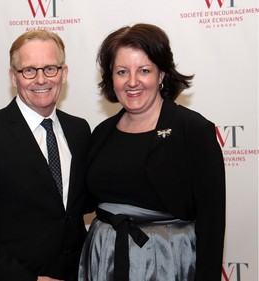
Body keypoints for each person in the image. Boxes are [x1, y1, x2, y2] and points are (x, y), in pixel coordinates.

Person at [78, 23, 225, 281]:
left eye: (144, 70)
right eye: (122, 71)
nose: (132, 82)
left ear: (161, 75)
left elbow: (212, 224)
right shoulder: (102, 133)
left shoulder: (193, 130)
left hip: (167, 264)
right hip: (104, 262)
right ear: (111, 78)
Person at [0, 30, 91, 281]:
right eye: (28, 70)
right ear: (13, 77)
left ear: (64, 73)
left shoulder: (79, 129)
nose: (40, 79)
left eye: (50, 68)